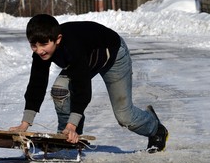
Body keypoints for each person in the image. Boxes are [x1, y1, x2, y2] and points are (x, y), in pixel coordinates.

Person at [10, 14, 168, 152]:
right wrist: (25, 124)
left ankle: (156, 129)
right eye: (33, 46)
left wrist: (73, 124)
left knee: (124, 116)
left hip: (114, 56)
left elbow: (82, 86)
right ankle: (66, 137)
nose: (39, 51)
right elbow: (36, 84)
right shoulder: (41, 49)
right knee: (60, 89)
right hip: (89, 59)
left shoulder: (73, 47)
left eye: (44, 45)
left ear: (57, 39)